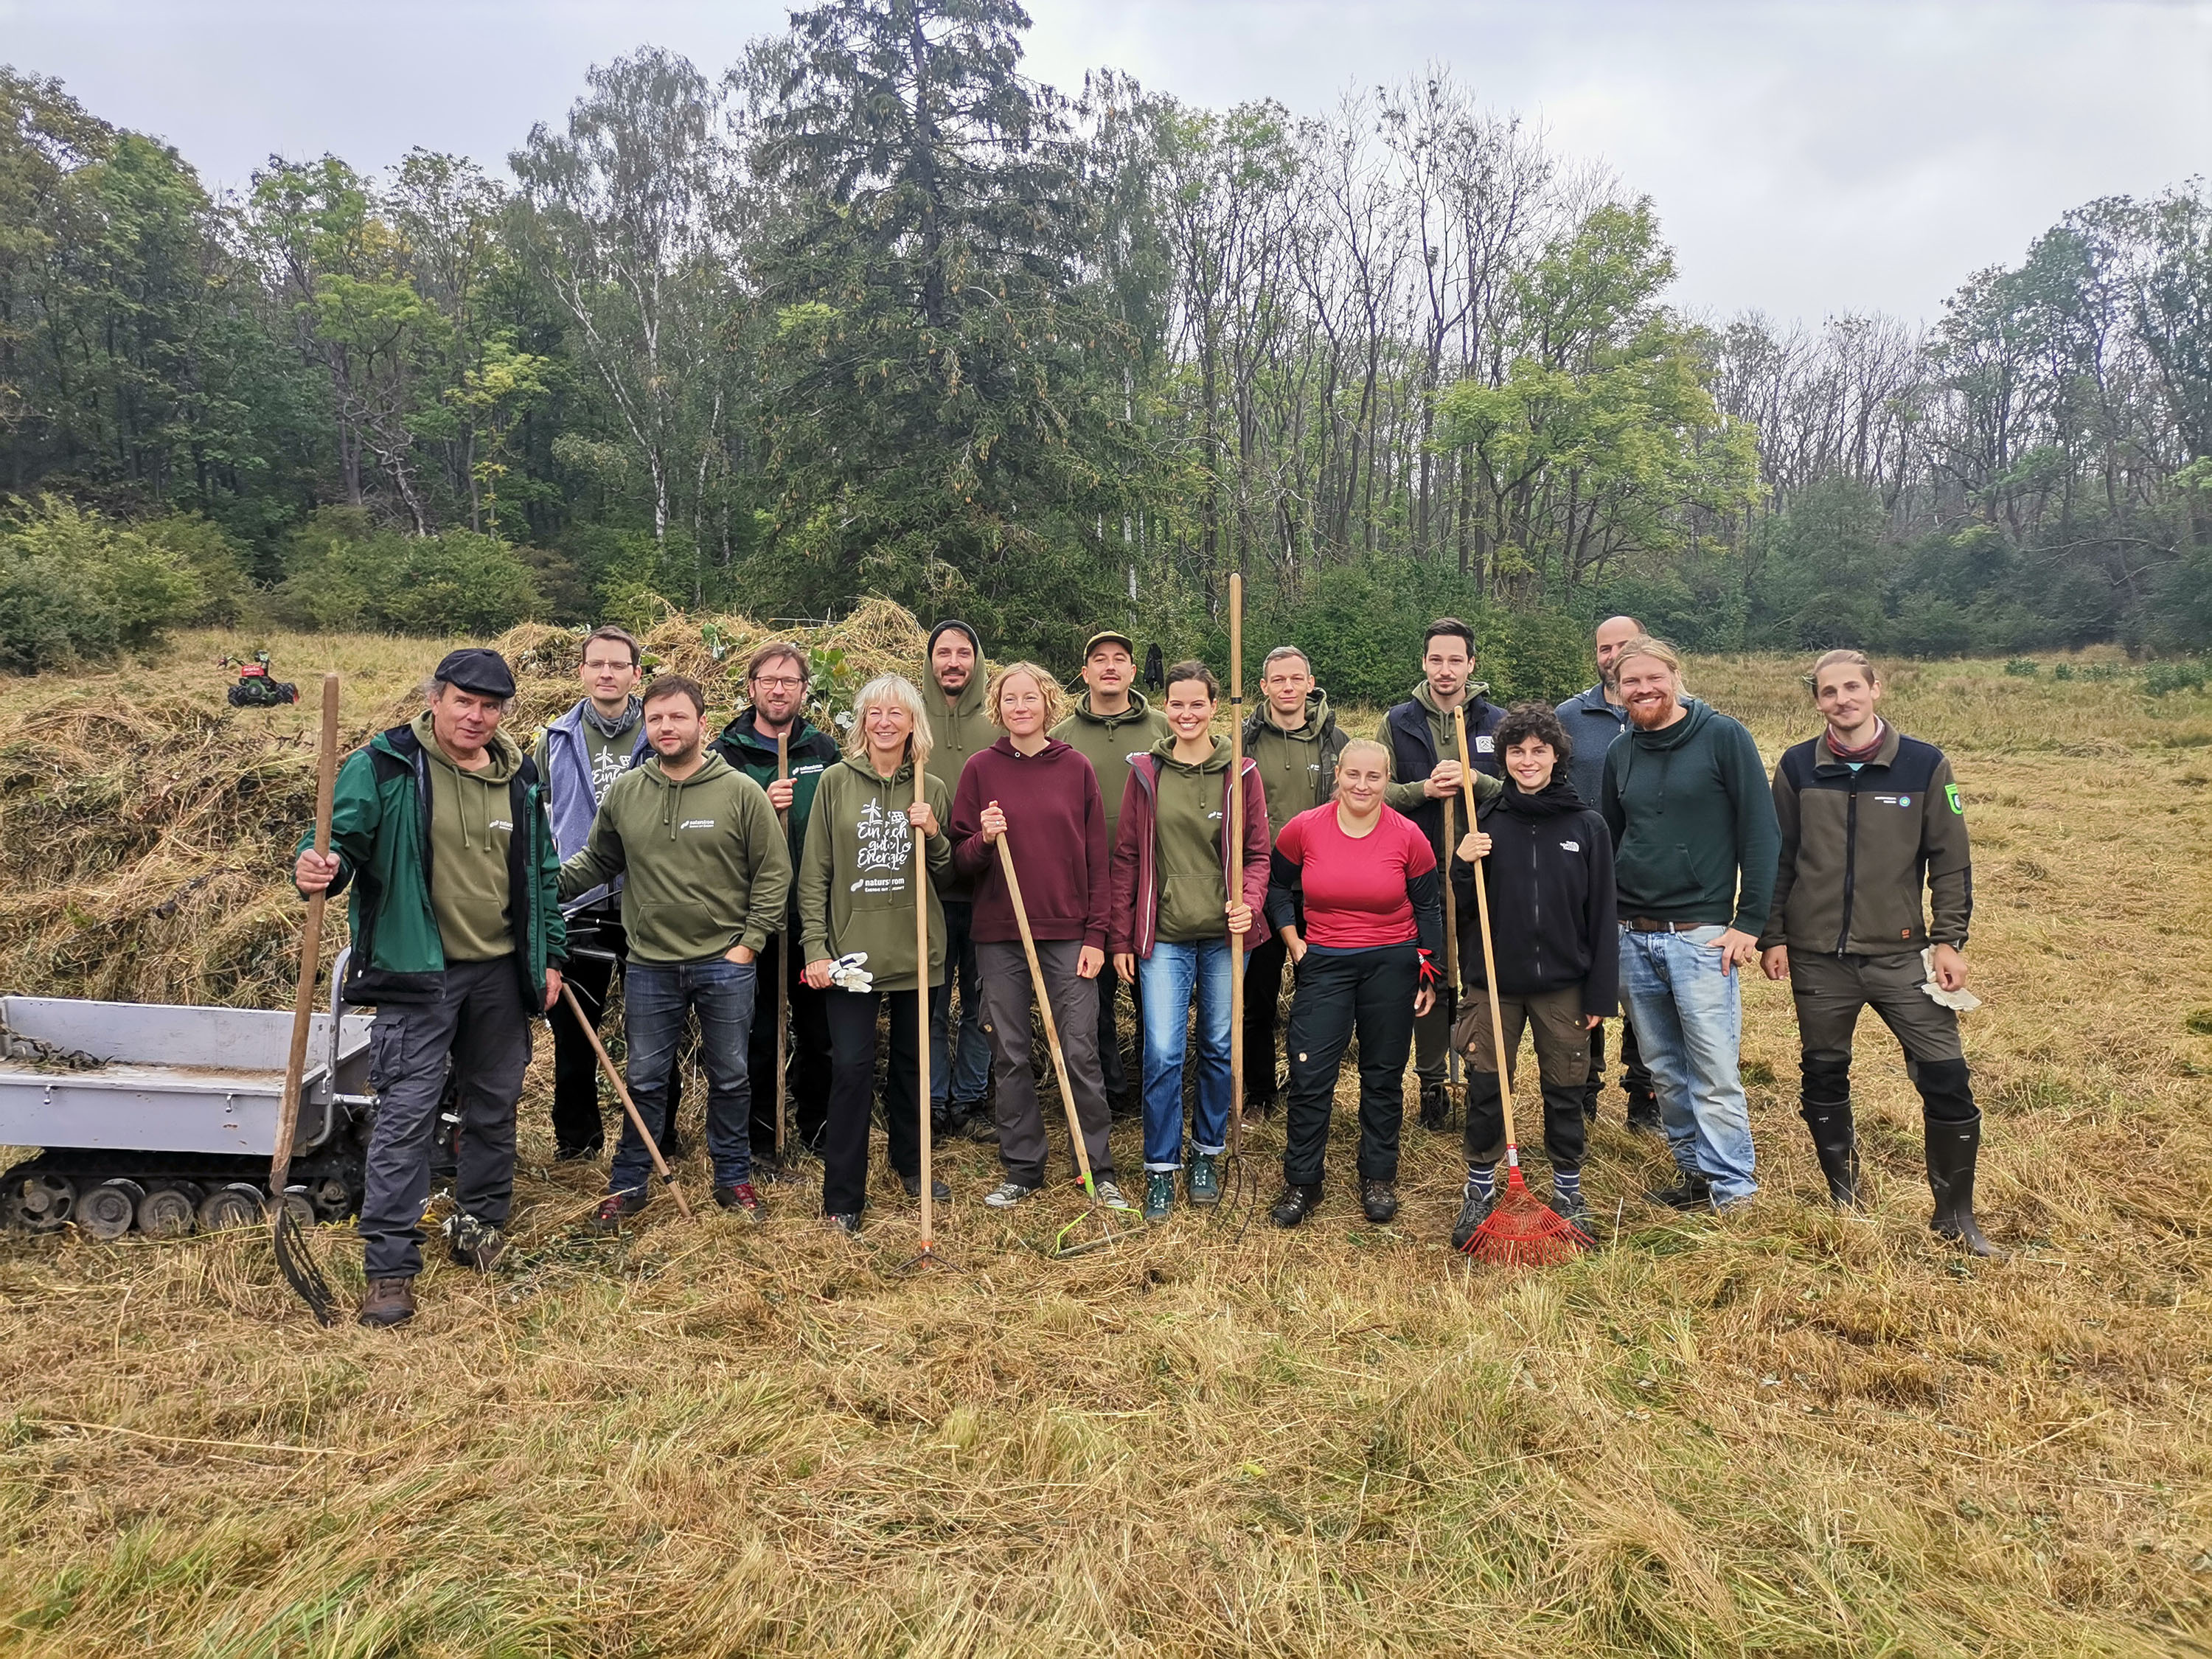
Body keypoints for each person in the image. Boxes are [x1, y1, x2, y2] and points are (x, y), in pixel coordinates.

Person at [293, 648, 566, 1329]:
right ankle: (389, 1268)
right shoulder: (384, 765)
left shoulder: (520, 776)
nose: (476, 717)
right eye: (463, 702)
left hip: (501, 974)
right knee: (406, 1117)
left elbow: (543, 874)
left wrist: (550, 956)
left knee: (495, 1108)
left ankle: (477, 1225)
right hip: (419, 974)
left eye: (490, 706)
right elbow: (339, 841)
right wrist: (318, 864)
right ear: (436, 699)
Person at [1760, 650, 1998, 1256]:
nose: (1842, 700)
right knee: (1823, 1071)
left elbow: (1951, 859)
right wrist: (1774, 934)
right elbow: (1778, 858)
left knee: (1947, 1076)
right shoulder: (1795, 767)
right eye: (1828, 692)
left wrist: (1949, 938)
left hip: (1901, 955)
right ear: (1817, 701)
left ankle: (1954, 1216)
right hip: (1817, 957)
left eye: (1851, 688)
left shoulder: (1923, 765)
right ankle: (1846, 1196)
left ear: (1875, 689)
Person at [558, 675, 790, 1228]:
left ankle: (733, 1177)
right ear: (647, 725)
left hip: (724, 962)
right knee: (644, 1078)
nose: (666, 727)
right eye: (656, 718)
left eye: (677, 717)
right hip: (650, 965)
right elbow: (597, 863)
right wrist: (536, 886)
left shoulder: (739, 792)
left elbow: (773, 874)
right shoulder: (628, 793)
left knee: (731, 1075)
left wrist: (750, 944)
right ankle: (630, 1181)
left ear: (702, 725)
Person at [1601, 636, 1779, 1214]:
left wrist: (1749, 920)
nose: (1643, 689)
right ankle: (1695, 1175)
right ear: (1617, 688)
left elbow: (1761, 833)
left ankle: (1735, 1192)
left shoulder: (1723, 737)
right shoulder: (1619, 752)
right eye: (1631, 681)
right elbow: (1607, 840)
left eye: (1654, 677)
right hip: (1633, 933)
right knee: (1664, 1071)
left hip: (1700, 936)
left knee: (1712, 1070)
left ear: (1676, 677)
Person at [953, 662, 1124, 1208]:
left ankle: (1095, 1167)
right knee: (1009, 1051)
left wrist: (1097, 935)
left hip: (1070, 933)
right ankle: (1023, 1167)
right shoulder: (981, 770)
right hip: (1000, 933)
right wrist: (983, 838)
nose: (1021, 707)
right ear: (997, 708)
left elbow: (1099, 861)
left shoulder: (1075, 768)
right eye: (1010, 699)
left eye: (1031, 698)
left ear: (1048, 704)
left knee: (1079, 1050)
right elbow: (959, 862)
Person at [1447, 704, 1618, 1246]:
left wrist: (1600, 992)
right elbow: (1466, 909)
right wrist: (1460, 862)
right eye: (1516, 751)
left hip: (1565, 984)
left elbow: (1603, 915)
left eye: (1538, 751)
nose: (1527, 761)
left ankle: (1568, 1189)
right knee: (1486, 1085)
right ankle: (1480, 1189)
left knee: (1565, 1087)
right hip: (1494, 981)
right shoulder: (1485, 821)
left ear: (1557, 756)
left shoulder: (1586, 826)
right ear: (1503, 759)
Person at [1109, 661, 1270, 1223]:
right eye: (1176, 704)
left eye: (1197, 704)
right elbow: (1127, 857)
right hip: (1166, 937)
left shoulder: (1241, 772)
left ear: (1213, 706)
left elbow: (1257, 853)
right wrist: (1124, 934)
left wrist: (1248, 900)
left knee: (1220, 1049)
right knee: (1163, 1053)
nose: (1186, 713)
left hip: (1226, 938)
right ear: (1165, 707)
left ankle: (1206, 1153)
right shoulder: (1146, 773)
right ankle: (1160, 1168)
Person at [798, 674, 956, 1234]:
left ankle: (911, 1166)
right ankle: (843, 1195)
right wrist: (815, 948)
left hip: (917, 954)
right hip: (851, 960)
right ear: (861, 723)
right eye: (874, 713)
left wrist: (934, 833)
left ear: (915, 722)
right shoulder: (836, 783)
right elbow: (814, 874)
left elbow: (949, 874)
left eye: (897, 713)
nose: (885, 722)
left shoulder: (929, 787)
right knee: (852, 1070)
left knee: (913, 1069)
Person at [1264, 738, 1440, 1228]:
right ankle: (1303, 1181)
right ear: (1337, 774)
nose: (1362, 785)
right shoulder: (1305, 829)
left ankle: (1378, 1175)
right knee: (1310, 1074)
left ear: (1388, 780)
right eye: (1353, 775)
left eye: (1375, 777)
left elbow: (1428, 908)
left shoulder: (1408, 836)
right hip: (1324, 962)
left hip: (1392, 963)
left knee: (1382, 1074)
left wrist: (1431, 973)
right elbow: (1277, 886)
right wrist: (1294, 942)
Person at [710, 641, 840, 1174]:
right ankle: (760, 1138)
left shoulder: (822, 751)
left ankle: (819, 1130)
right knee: (758, 1036)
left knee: (819, 1036)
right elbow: (713, 829)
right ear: (751, 687)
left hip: (811, 919)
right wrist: (761, 804)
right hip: (751, 920)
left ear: (804, 690)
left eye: (790, 681)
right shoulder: (727, 753)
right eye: (769, 680)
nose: (779, 689)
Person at [1380, 618, 1506, 1130]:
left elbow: (1521, 785)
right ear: (1424, 662)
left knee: (1477, 974)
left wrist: (1476, 779)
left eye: (1456, 660)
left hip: (1482, 871)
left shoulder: (1497, 722)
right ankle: (1432, 1083)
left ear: (1471, 664)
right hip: (1421, 870)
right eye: (1436, 659)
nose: (1446, 669)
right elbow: (1376, 792)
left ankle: (1478, 1076)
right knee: (1429, 971)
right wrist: (1423, 793)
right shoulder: (1399, 721)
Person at [535, 625, 647, 1161]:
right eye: (597, 664)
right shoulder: (554, 739)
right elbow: (540, 815)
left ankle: (654, 1138)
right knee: (576, 1034)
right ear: (582, 672)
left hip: (647, 902)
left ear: (635, 674)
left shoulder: (661, 729)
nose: (607, 673)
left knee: (652, 1033)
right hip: (578, 904)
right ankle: (577, 1142)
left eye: (618, 665)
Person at [1049, 629, 1170, 1117]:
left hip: (1152, 883)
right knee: (1092, 994)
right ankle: (1107, 1090)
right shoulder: (1061, 736)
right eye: (1099, 660)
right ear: (1085, 673)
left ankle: (1152, 1085)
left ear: (1133, 672)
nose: (1110, 667)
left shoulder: (1163, 728)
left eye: (1120, 659)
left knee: (1152, 990)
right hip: (1086, 886)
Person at [1556, 615, 1660, 1135]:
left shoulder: (1675, 715)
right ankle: (1583, 1091)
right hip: (1582, 878)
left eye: (1624, 645)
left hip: (1651, 881)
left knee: (1645, 987)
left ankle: (1644, 1095)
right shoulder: (1570, 717)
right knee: (1582, 985)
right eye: (1604, 647)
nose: (1613, 655)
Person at [1239, 644, 1351, 1120]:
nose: (1287, 688)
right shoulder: (1241, 742)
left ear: (1310, 683)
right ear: (1264, 687)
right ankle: (1260, 1093)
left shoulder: (1335, 741)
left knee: (1317, 997)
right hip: (1260, 885)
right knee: (1257, 997)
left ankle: (1309, 1089)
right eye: (1277, 680)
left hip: (1320, 888)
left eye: (1296, 679)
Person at [922, 619, 995, 1141]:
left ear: (977, 660)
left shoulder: (997, 720)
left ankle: (969, 1101)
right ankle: (929, 1101)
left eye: (963, 652)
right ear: (930, 661)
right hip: (925, 889)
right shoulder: (910, 720)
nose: (953, 661)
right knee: (930, 1001)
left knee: (980, 1003)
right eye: (943, 652)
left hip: (987, 888)